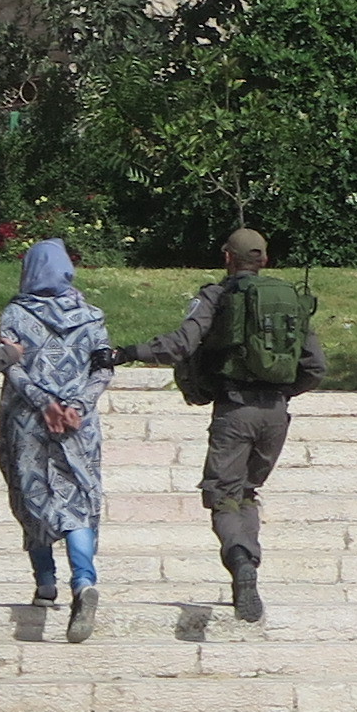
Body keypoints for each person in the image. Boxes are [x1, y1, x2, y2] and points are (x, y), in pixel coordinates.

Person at [118, 225, 326, 626]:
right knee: (247, 492)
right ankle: (247, 554)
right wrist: (282, 392)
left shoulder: (217, 295)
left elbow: (180, 345)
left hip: (234, 410)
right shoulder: (289, 301)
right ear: (264, 260)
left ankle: (240, 559)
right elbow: (316, 367)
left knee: (223, 496)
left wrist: (128, 352)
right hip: (276, 414)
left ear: (227, 258)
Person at [0, 237, 123, 641]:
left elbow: (10, 367)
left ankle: (45, 583)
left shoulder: (16, 315)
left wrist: (44, 403)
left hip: (29, 424)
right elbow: (103, 368)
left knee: (33, 496)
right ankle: (84, 582)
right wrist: (77, 406)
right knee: (77, 500)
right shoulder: (92, 316)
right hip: (78, 427)